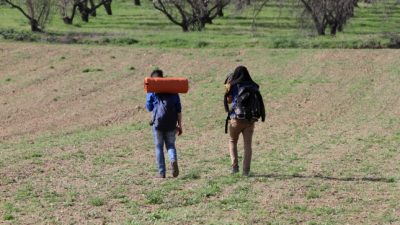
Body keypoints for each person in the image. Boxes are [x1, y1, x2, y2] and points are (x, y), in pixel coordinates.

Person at [224, 66, 265, 176]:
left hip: (235, 119)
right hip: (250, 120)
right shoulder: (253, 86)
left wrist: (227, 85)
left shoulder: (233, 85)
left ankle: (234, 167)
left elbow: (228, 100)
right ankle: (246, 171)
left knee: (233, 141)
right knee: (247, 145)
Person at [146, 69, 183, 178]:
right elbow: (179, 109)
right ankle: (172, 160)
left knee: (158, 147)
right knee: (171, 145)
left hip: (158, 124)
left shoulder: (152, 90)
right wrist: (179, 125)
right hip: (171, 123)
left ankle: (162, 172)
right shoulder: (173, 90)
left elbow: (149, 107)